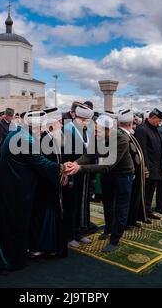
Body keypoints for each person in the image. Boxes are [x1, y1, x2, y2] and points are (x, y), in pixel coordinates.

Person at [0, 110, 65, 271]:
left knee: (7, 226)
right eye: (42, 127)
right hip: (14, 190)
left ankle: (6, 257)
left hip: (8, 188)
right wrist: (63, 168)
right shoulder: (25, 139)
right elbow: (42, 163)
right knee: (14, 227)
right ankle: (10, 261)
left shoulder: (17, 133)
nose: (44, 131)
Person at [65, 113, 135, 252]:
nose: (95, 133)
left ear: (109, 130)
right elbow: (88, 155)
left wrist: (80, 168)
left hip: (123, 175)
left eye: (98, 130)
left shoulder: (121, 139)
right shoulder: (97, 136)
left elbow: (107, 165)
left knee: (121, 207)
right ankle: (108, 229)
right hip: (108, 174)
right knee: (107, 204)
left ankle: (115, 239)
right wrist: (74, 163)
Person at [29, 107, 68, 259]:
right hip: (45, 187)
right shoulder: (44, 139)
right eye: (59, 122)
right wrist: (61, 174)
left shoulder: (51, 137)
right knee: (43, 217)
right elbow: (44, 165)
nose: (62, 125)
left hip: (52, 185)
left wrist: (62, 174)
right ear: (51, 125)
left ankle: (50, 246)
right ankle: (42, 247)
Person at [62, 103, 95, 247]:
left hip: (84, 172)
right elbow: (66, 155)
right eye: (84, 120)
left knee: (82, 204)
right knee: (71, 205)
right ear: (77, 117)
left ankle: (79, 232)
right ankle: (69, 235)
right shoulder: (68, 130)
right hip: (72, 173)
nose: (86, 122)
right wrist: (68, 175)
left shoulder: (86, 130)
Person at [135, 108, 162, 219]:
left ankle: (147, 211)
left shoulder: (155, 129)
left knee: (150, 192)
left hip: (156, 168)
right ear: (153, 118)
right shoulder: (142, 129)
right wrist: (146, 168)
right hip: (148, 168)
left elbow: (160, 149)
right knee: (144, 192)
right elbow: (143, 151)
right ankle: (141, 214)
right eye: (158, 121)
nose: (159, 123)